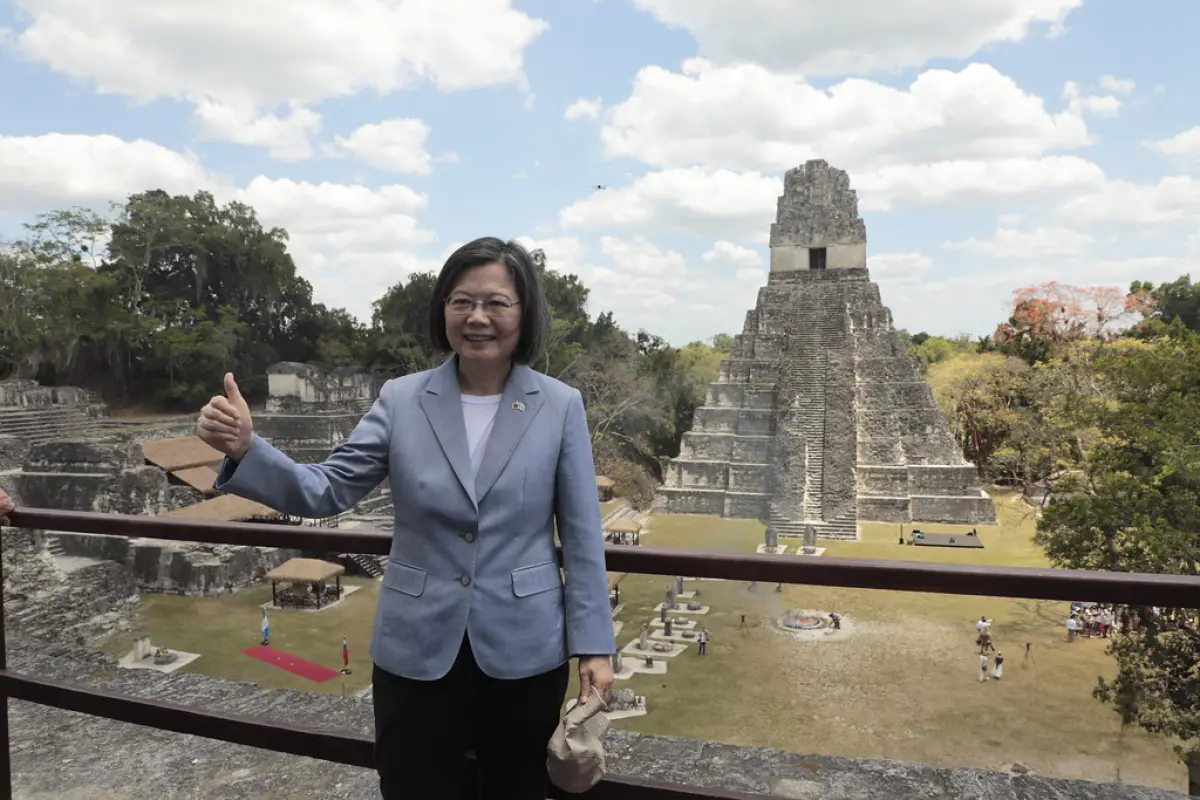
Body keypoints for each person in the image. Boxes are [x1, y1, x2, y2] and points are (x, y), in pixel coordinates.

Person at [196, 238, 616, 800]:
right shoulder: (402, 399)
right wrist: (249, 449)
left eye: (497, 302)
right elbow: (327, 488)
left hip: (525, 651)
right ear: (443, 309)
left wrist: (595, 645)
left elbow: (583, 537)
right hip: (417, 649)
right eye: (462, 301)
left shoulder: (560, 405)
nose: (478, 317)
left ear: (525, 313)